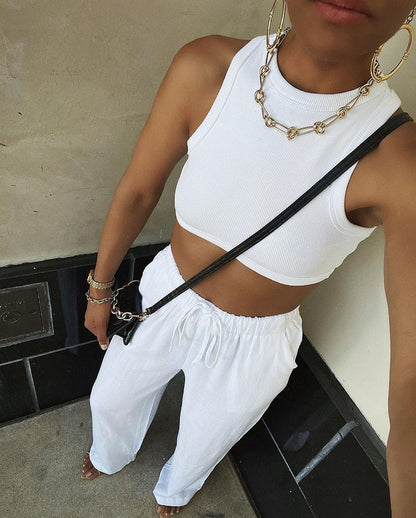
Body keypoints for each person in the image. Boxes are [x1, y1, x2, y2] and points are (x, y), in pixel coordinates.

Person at [81, 1, 416, 516]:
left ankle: (176, 489)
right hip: (166, 293)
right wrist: (100, 288)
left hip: (256, 343)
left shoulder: (399, 161)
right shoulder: (207, 69)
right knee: (110, 398)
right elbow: (138, 191)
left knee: (206, 437)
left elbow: (410, 383)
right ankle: (109, 452)